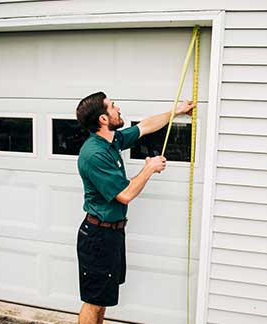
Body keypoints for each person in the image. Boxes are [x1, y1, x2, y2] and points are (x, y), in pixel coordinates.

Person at [75, 91, 194, 324]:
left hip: (112, 234)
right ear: (103, 119)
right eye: (112, 106)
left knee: (103, 299)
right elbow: (125, 195)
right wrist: (149, 168)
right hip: (97, 237)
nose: (117, 108)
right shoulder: (94, 154)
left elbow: (145, 127)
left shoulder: (112, 141)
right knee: (93, 301)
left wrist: (176, 111)